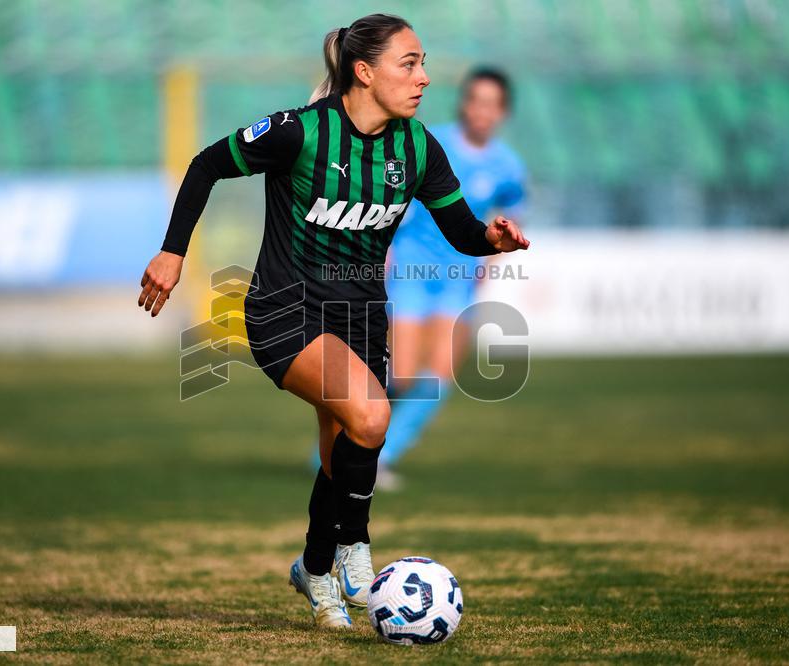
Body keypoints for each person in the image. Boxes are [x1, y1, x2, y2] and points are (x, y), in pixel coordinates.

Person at [137, 14, 529, 630]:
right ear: (364, 71)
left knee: (342, 451)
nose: (424, 77)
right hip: (283, 310)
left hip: (361, 317)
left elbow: (461, 231)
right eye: (410, 63)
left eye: (424, 63)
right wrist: (172, 251)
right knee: (372, 415)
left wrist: (491, 239)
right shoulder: (301, 132)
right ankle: (353, 545)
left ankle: (315, 573)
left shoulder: (419, 146)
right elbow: (207, 163)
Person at [379, 67, 527, 491]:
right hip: (411, 267)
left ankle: (381, 456)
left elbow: (510, 216)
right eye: (475, 100)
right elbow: (395, 193)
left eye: (492, 104)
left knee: (441, 373)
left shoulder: (507, 165)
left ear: (503, 112)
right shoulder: (431, 142)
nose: (482, 111)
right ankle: (341, 445)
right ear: (464, 103)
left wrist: (490, 262)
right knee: (401, 374)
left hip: (457, 275)